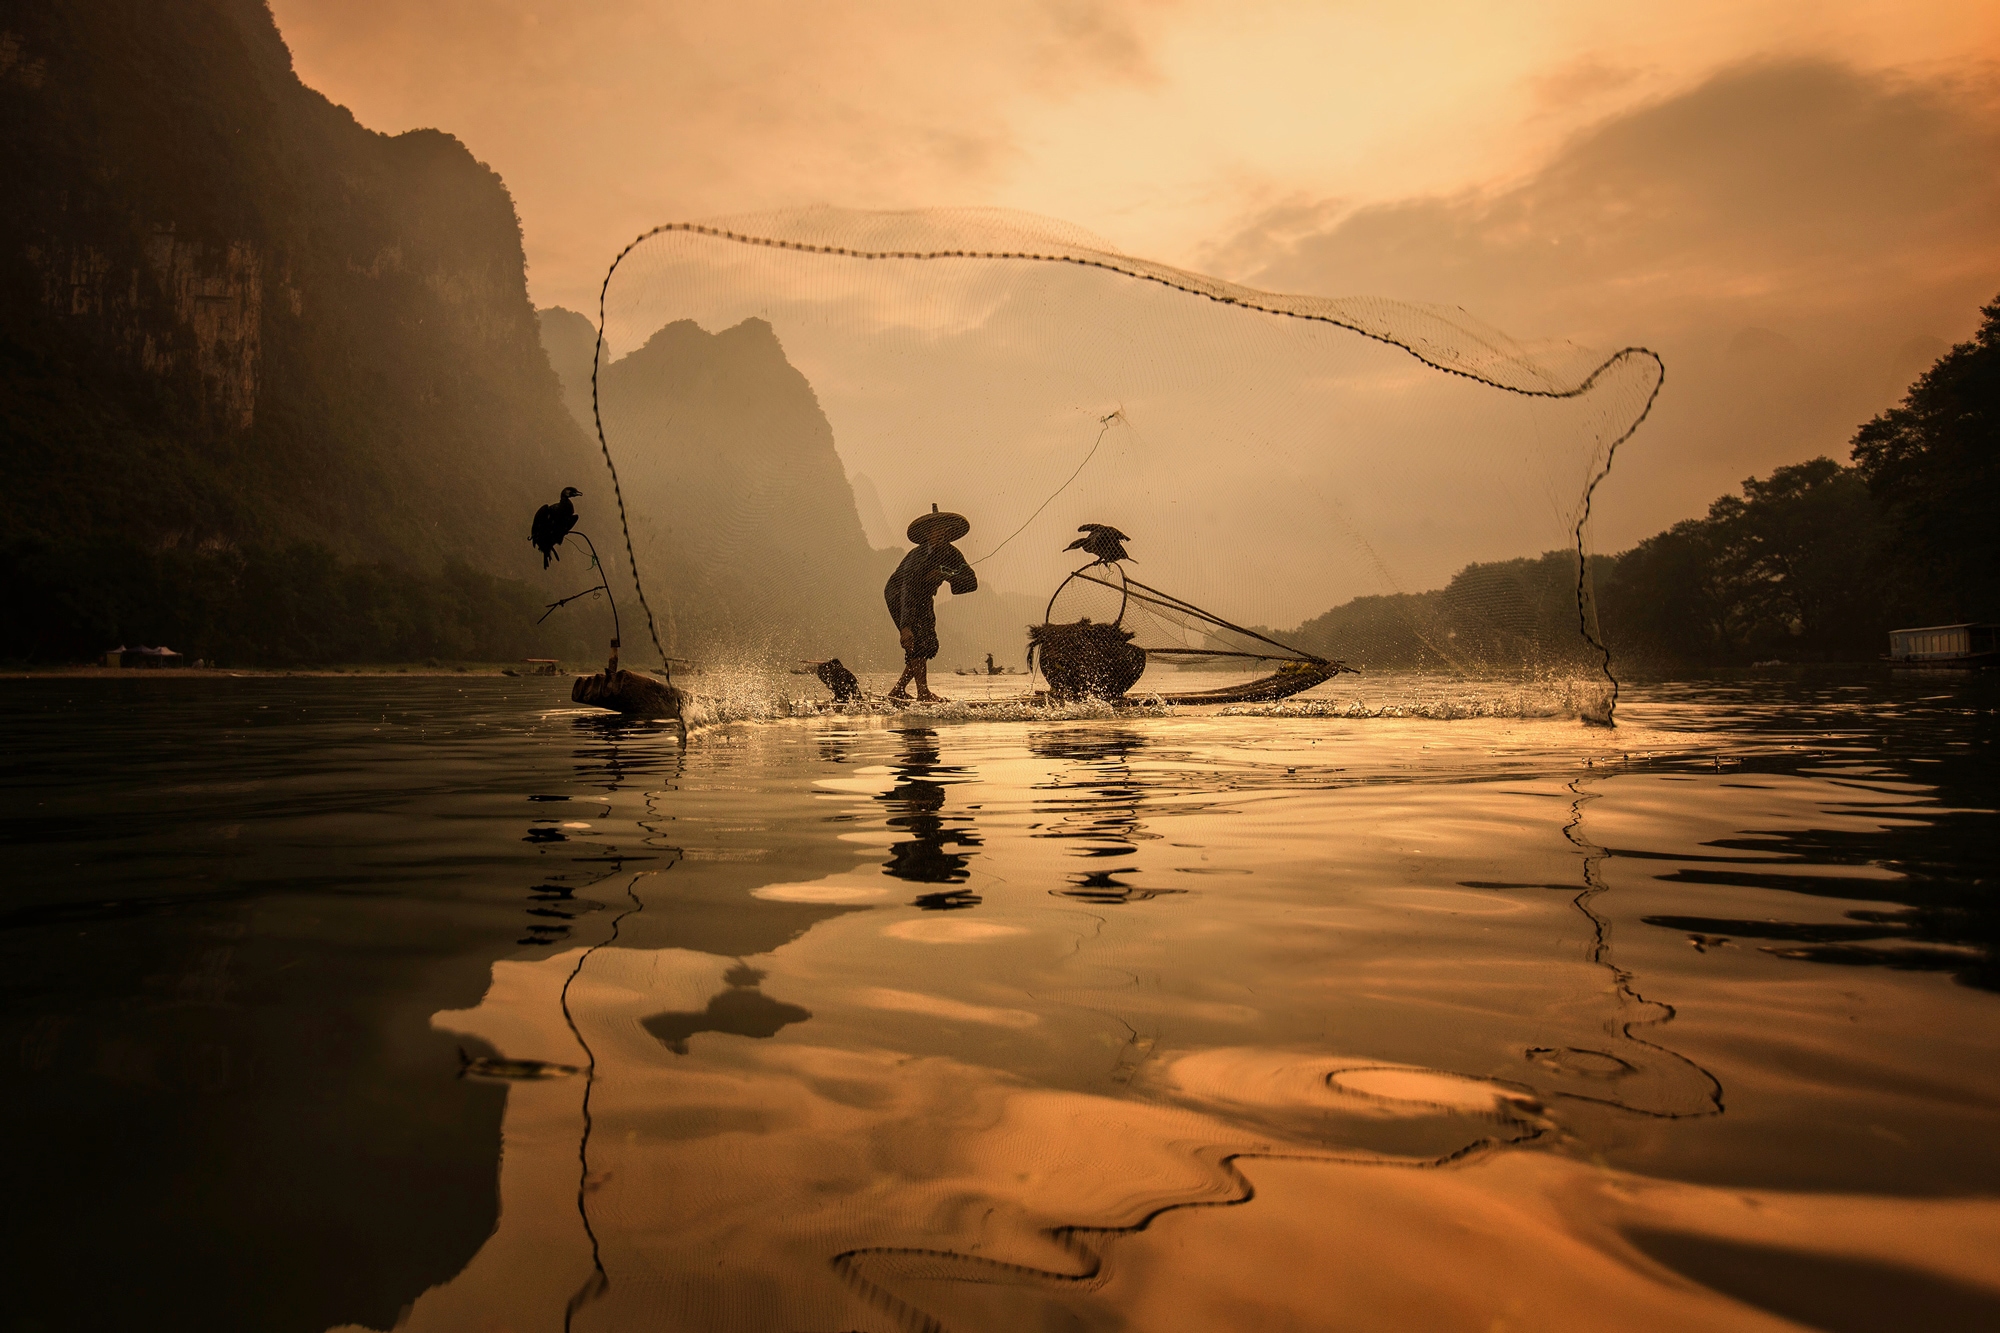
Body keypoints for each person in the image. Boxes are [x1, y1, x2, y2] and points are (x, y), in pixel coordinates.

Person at [885, 506, 977, 700]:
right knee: (916, 641)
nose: (940, 533)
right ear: (927, 534)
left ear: (949, 532)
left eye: (944, 530)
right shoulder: (917, 557)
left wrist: (947, 574)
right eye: (936, 530)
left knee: (928, 643)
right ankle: (922, 692)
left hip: (924, 598)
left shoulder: (952, 554)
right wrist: (905, 626)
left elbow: (971, 582)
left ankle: (899, 690)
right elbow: (907, 590)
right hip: (899, 596)